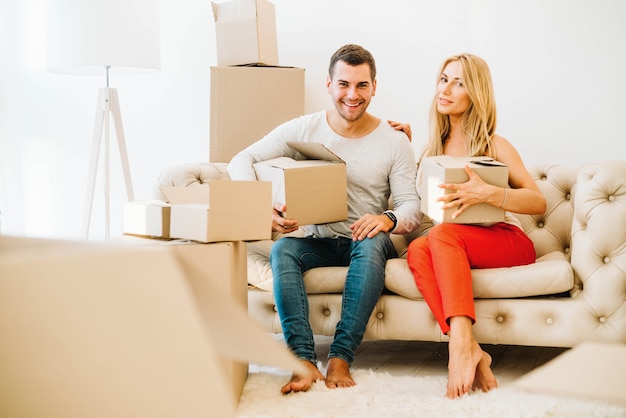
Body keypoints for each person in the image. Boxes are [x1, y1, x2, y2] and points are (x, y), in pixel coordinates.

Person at [228, 44, 422, 393]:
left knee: (373, 239)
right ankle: (302, 360)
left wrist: (387, 219)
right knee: (283, 250)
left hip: (366, 242)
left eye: (362, 85)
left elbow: (412, 206)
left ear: (374, 87)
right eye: (344, 84)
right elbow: (241, 159)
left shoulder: (394, 141)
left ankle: (340, 358)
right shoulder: (304, 129)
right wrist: (261, 208)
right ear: (329, 85)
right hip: (315, 240)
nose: (352, 94)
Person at [406, 53, 546, 399]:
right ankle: (468, 345)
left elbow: (537, 201)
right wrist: (404, 149)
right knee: (418, 247)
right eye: (443, 79)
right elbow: (421, 211)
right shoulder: (432, 150)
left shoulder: (494, 144)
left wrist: (492, 193)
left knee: (440, 236)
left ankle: (459, 351)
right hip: (455, 239)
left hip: (507, 240)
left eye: (459, 82)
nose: (447, 89)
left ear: (476, 93)